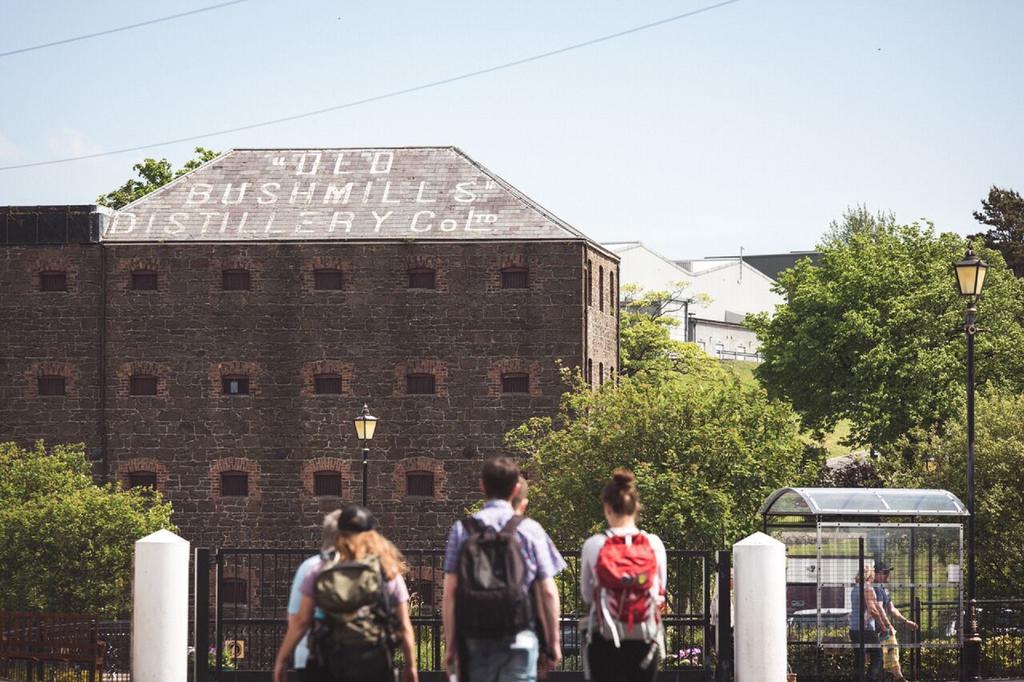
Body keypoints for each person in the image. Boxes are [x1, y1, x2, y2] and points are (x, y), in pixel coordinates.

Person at [443, 457, 565, 682]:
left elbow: (450, 592)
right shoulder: (530, 530)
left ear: (482, 485)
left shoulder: (462, 530)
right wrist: (553, 642)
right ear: (516, 488)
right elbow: (548, 591)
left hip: (474, 635)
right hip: (519, 634)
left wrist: (450, 645)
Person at [273, 505, 418, 682]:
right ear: (372, 535)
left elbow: (301, 621)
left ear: (339, 533)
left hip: (327, 660)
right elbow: (404, 625)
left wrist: (282, 660)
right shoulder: (386, 572)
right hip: (373, 660)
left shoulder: (318, 570)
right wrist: (410, 666)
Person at [580, 469, 667, 682]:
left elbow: (588, 595)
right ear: (636, 507)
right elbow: (660, 587)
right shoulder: (654, 544)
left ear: (607, 507)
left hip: (605, 638)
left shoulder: (594, 545)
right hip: (645, 637)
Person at [286, 510, 341, 682]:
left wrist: (282, 658)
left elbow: (298, 620)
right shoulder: (376, 569)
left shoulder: (311, 567)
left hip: (313, 656)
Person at [873, 562, 918, 682]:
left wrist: (905, 621)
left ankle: (898, 678)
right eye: (885, 572)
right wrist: (887, 626)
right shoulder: (874, 588)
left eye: (888, 572)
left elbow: (892, 608)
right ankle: (900, 679)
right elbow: (880, 609)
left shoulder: (882, 588)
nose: (888, 575)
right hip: (878, 630)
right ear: (876, 574)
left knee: (888, 658)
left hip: (883, 629)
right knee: (886, 658)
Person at [849, 565, 892, 681]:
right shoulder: (867, 588)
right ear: (870, 575)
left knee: (859, 657)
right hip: (866, 629)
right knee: (877, 656)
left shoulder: (855, 589)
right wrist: (883, 626)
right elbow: (872, 609)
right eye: (872, 573)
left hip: (853, 629)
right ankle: (870, 679)